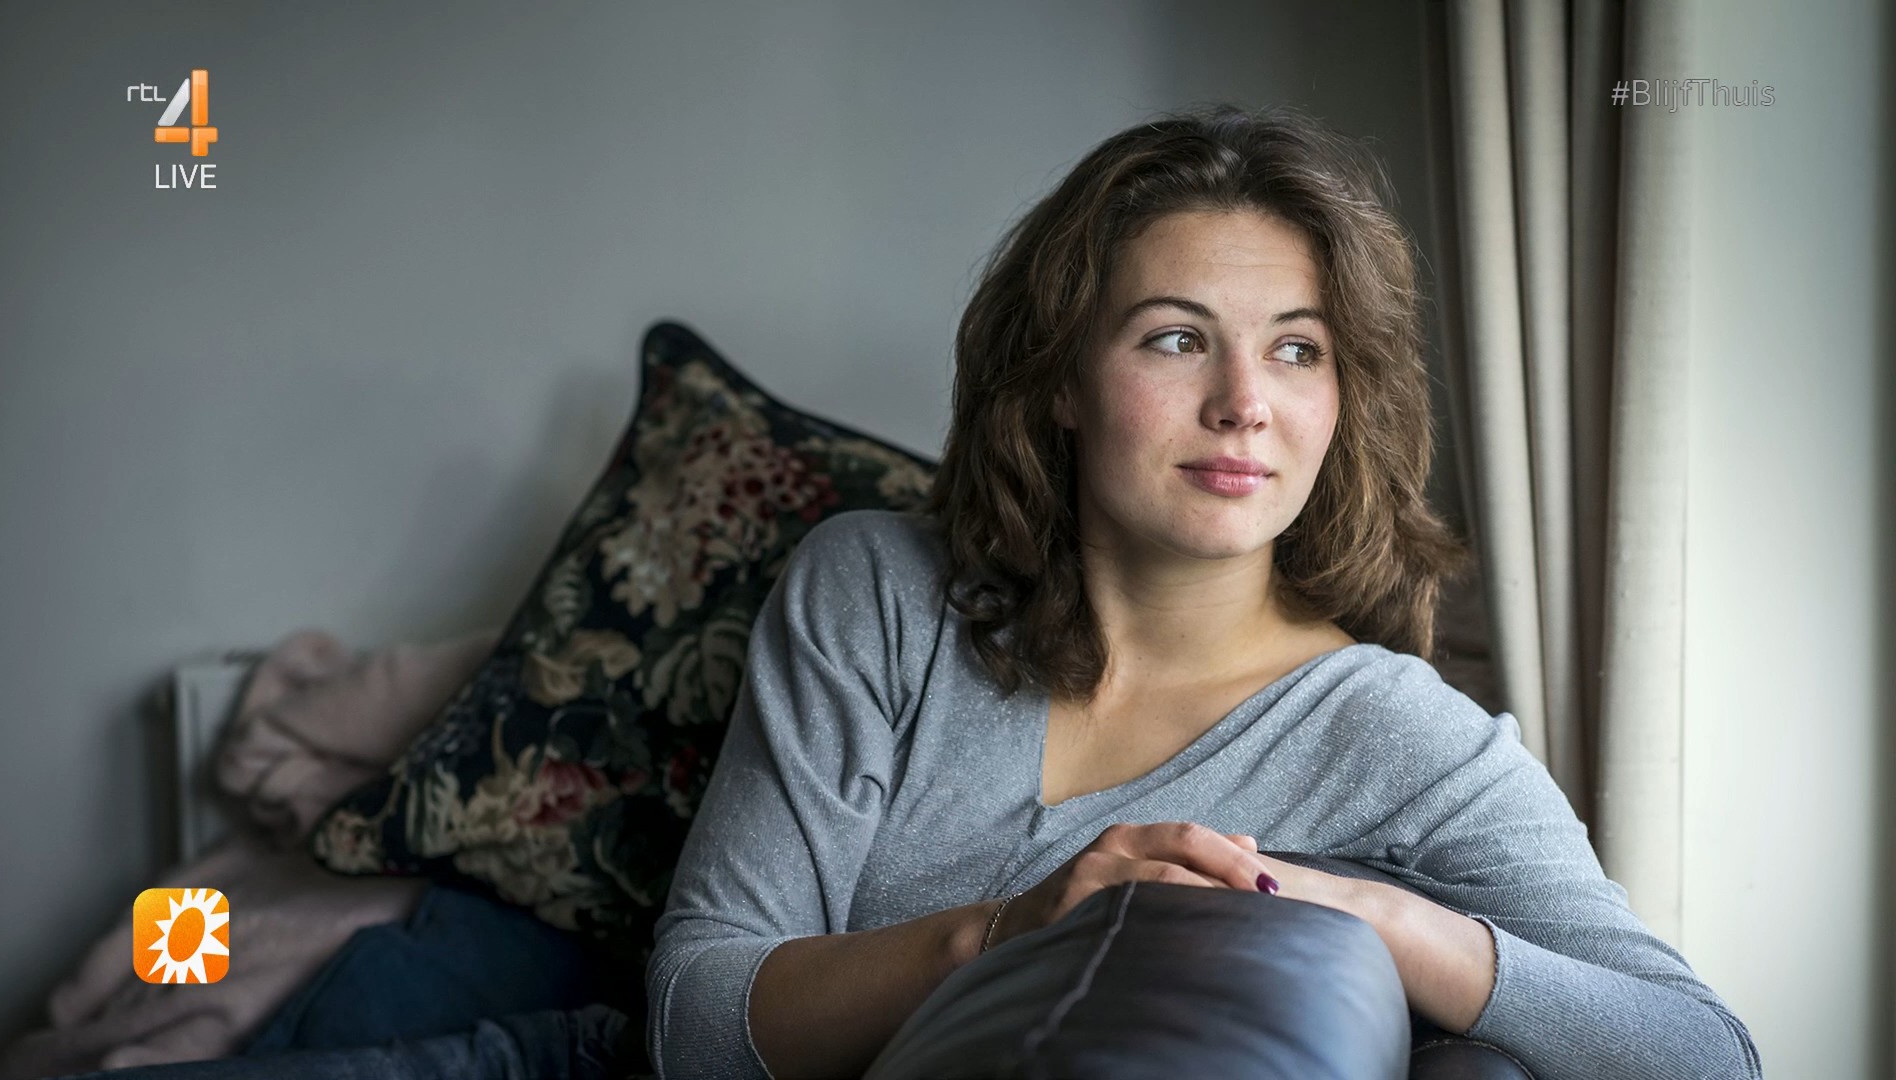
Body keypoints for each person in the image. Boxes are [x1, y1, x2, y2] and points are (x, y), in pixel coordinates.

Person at [645, 103, 1763, 1079]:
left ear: (1343, 397)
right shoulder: (876, 596)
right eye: (1177, 339)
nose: (1242, 403)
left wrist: (1375, 916)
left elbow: (1702, 1053)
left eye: (1297, 350)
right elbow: (694, 1026)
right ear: (1063, 380)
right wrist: (1007, 935)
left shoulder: (1397, 732)